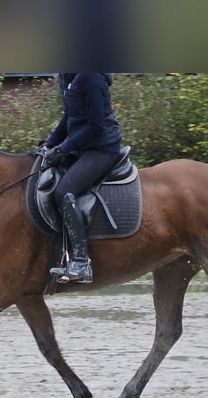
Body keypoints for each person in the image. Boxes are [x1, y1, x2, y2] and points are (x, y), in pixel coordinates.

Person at [40, 72, 123, 283]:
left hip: (103, 148)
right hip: (82, 148)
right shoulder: (67, 77)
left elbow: (96, 127)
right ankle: (61, 256)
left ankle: (81, 261)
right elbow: (70, 117)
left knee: (64, 192)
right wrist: (49, 144)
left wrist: (63, 148)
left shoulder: (89, 77)